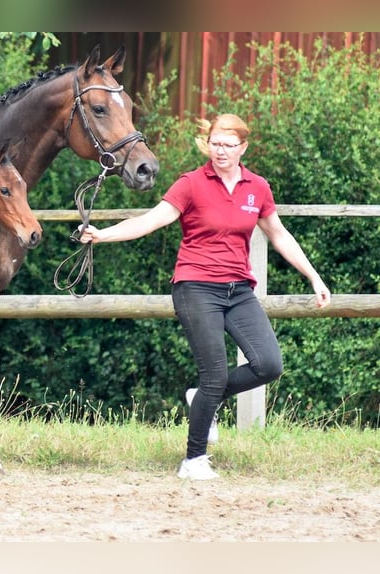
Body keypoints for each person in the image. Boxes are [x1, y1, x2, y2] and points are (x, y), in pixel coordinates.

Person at [79, 113, 331, 480]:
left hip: (239, 290)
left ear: (243, 147)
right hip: (196, 287)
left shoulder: (257, 187)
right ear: (207, 144)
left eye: (229, 145)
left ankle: (201, 398)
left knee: (269, 364)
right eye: (215, 143)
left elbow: (278, 234)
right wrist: (103, 235)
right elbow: (152, 219)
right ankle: (193, 459)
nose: (221, 151)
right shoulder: (191, 184)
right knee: (214, 373)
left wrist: (314, 277)